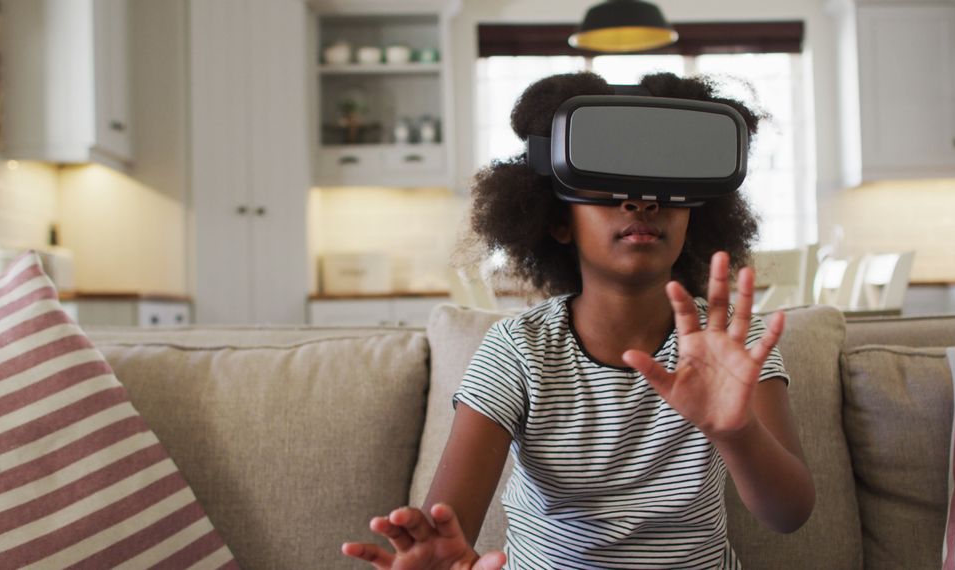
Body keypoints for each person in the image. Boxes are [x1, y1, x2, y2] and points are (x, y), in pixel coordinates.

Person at [342, 71, 815, 569]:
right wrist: (439, 556)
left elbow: (790, 514)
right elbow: (447, 524)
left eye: (665, 184)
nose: (642, 201)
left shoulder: (732, 343)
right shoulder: (518, 350)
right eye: (608, 185)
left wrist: (736, 431)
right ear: (557, 220)